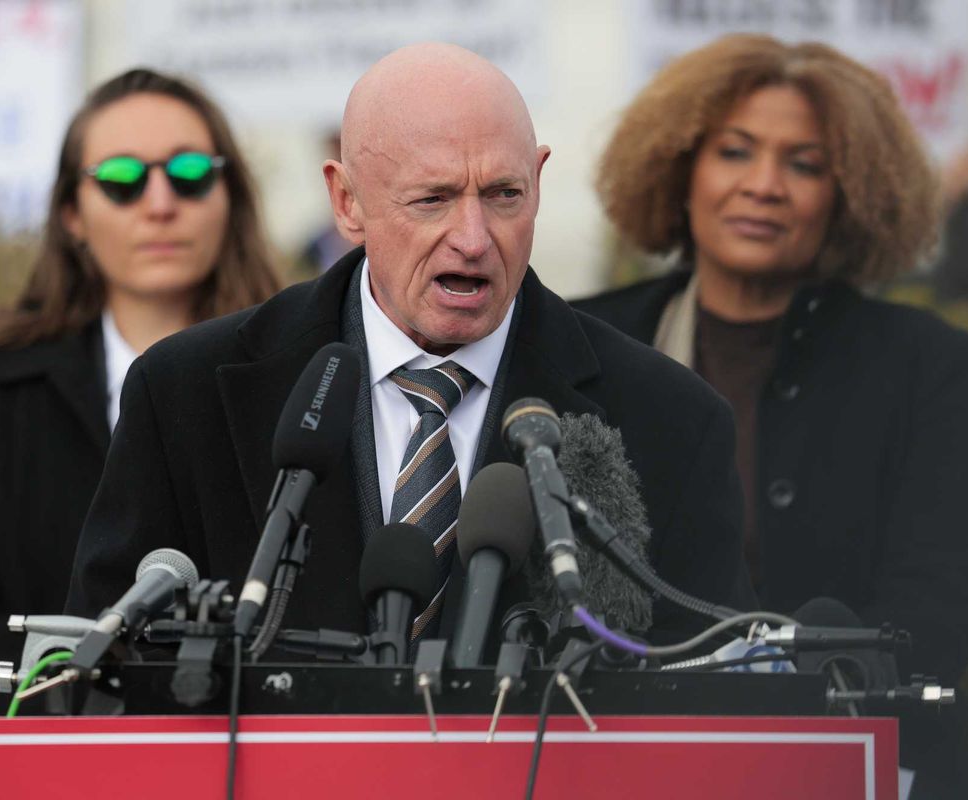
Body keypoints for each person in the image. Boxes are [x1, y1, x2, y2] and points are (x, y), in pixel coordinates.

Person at [66, 44, 750, 657]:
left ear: (538, 182)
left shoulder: (671, 421)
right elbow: (106, 678)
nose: (475, 238)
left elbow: (712, 717)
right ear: (346, 200)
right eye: (433, 199)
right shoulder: (187, 394)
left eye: (505, 195)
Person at [572, 35, 968, 798]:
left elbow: (934, 614)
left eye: (804, 163)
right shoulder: (583, 345)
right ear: (680, 168)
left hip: (860, 762)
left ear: (851, 194)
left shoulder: (926, 364)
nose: (765, 185)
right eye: (735, 152)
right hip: (624, 761)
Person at [0, 68, 280, 717]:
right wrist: (62, 746)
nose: (159, 202)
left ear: (228, 196)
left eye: (188, 173)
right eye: (122, 180)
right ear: (72, 212)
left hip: (249, 758)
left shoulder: (310, 379)